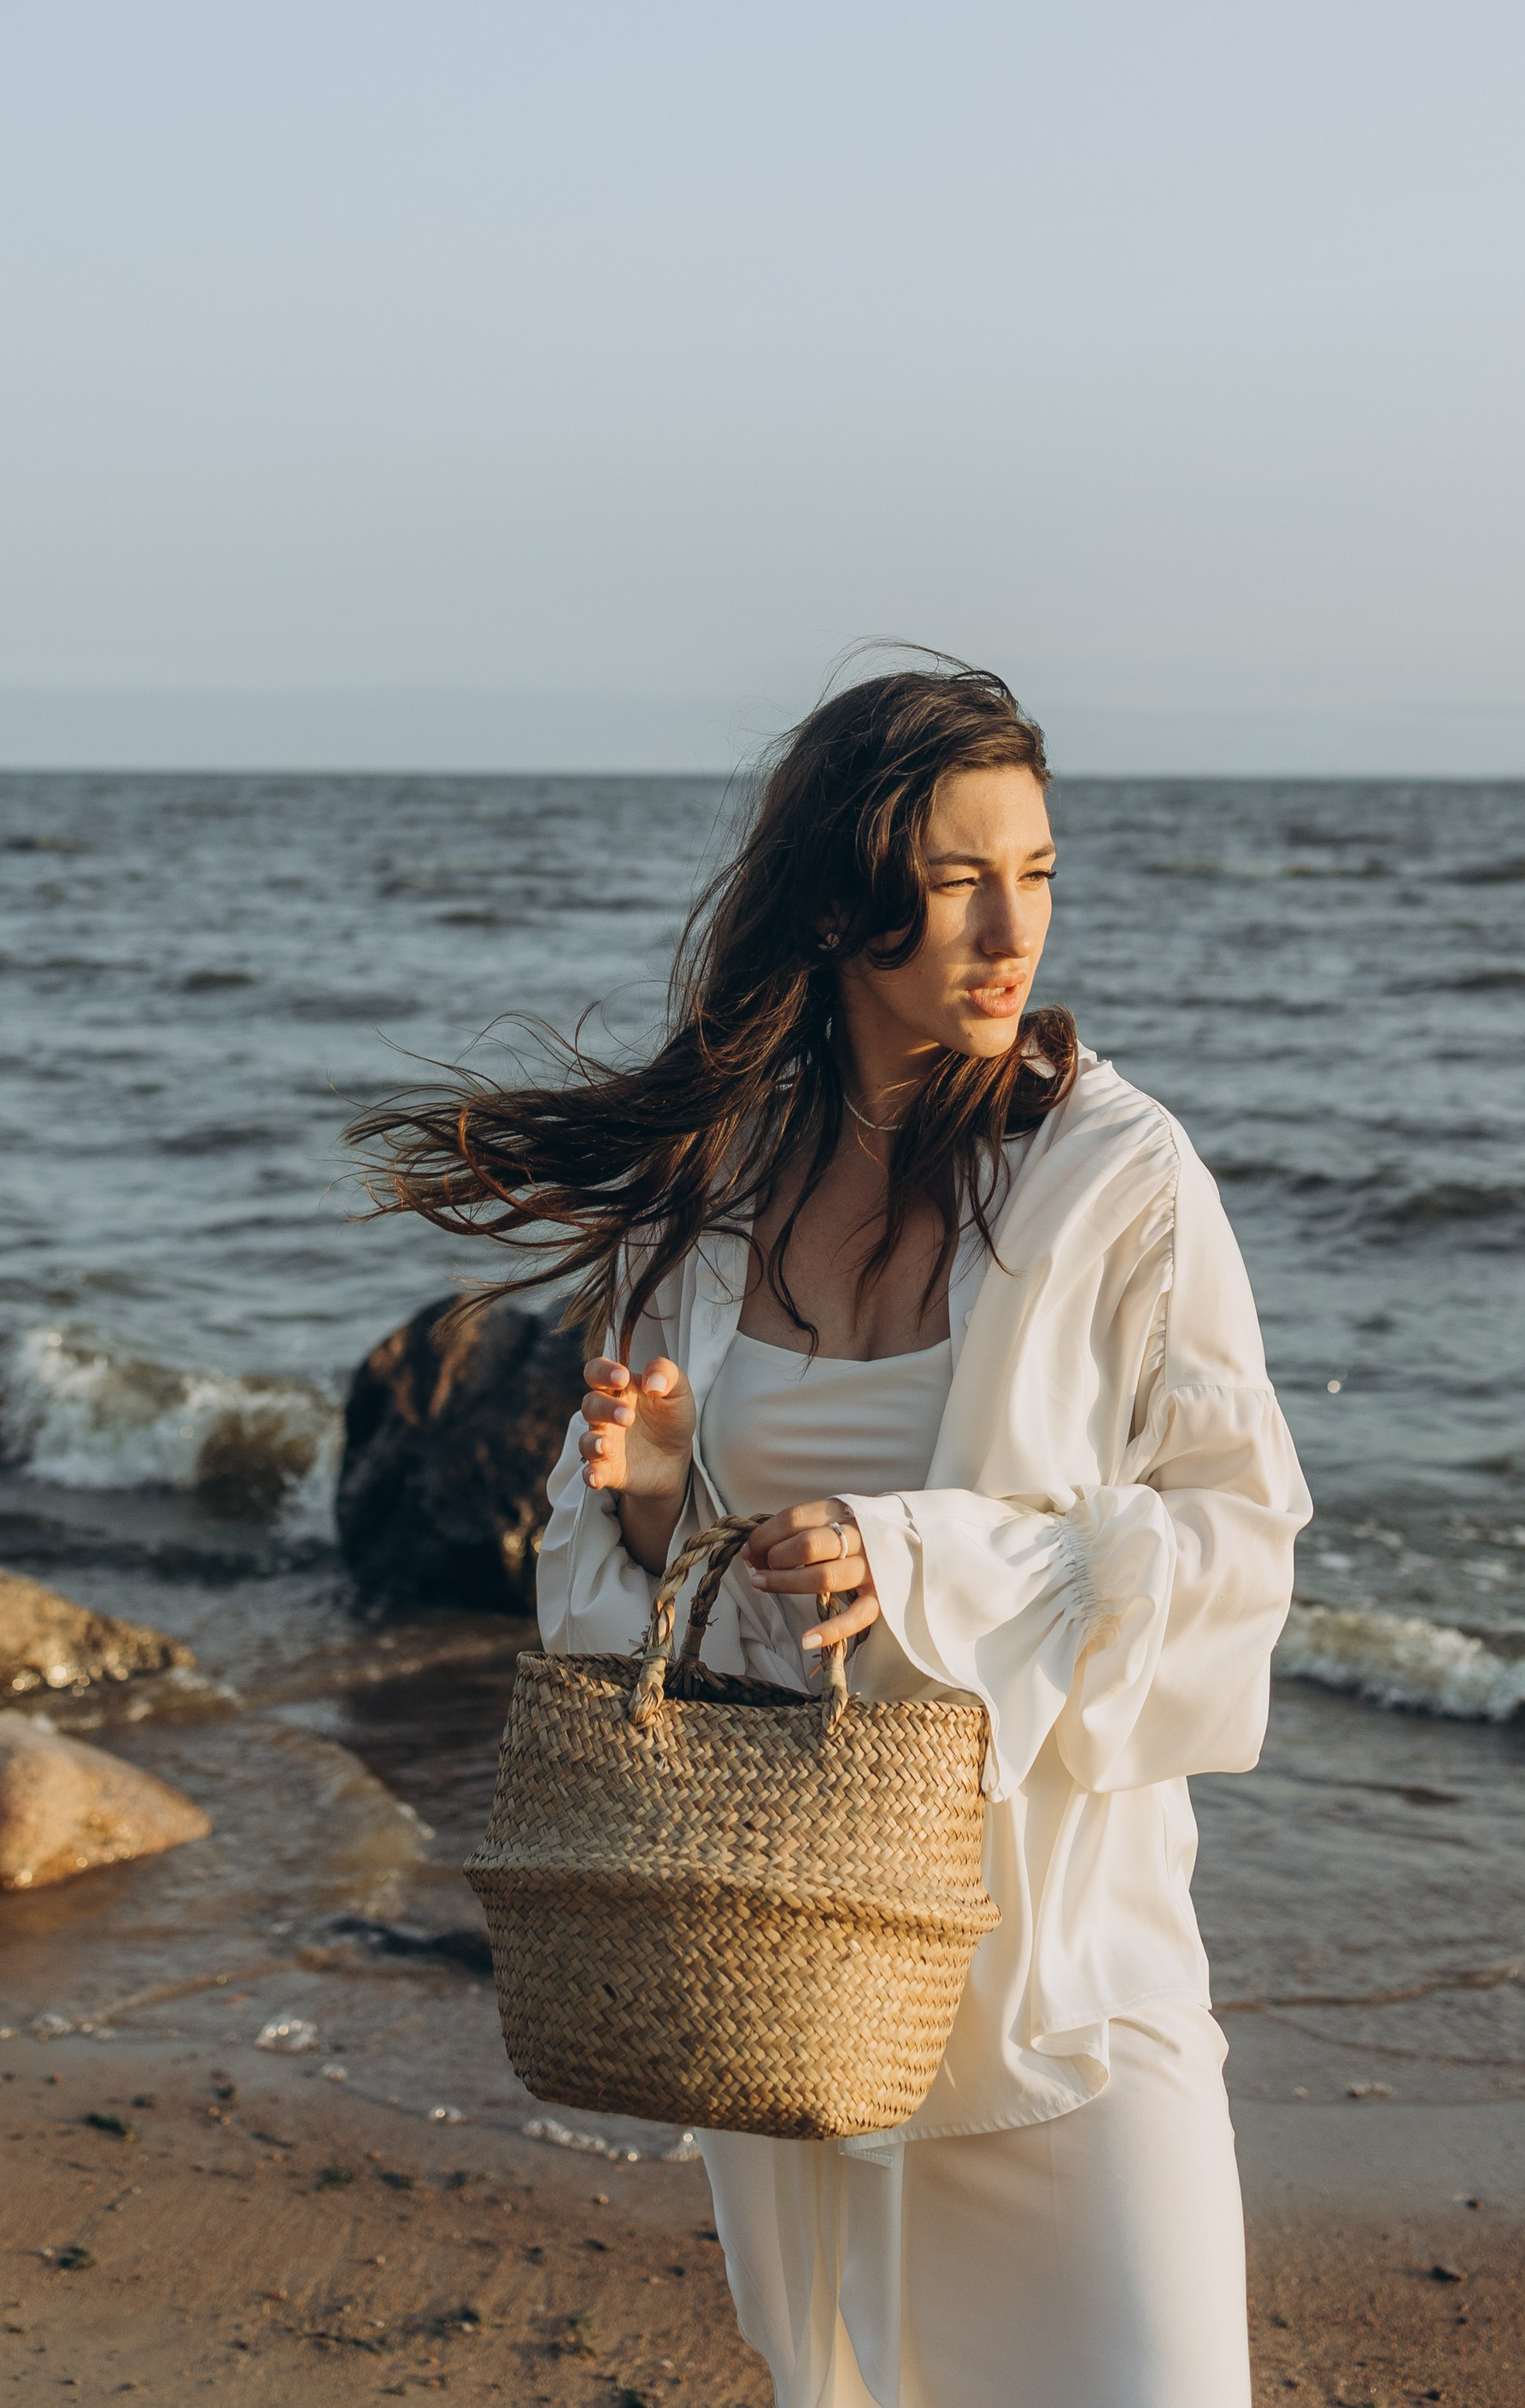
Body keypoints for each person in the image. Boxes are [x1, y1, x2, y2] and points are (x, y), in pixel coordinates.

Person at [353, 664, 1311, 2408]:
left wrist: (930, 1564)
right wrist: (648, 1507)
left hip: (1059, 1958)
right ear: (838, 893)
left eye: (1033, 867)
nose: (1007, 925)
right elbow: (636, 1611)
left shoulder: (1115, 1174)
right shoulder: (712, 1188)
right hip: (791, 1947)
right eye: (954, 880)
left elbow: (1233, 1544)